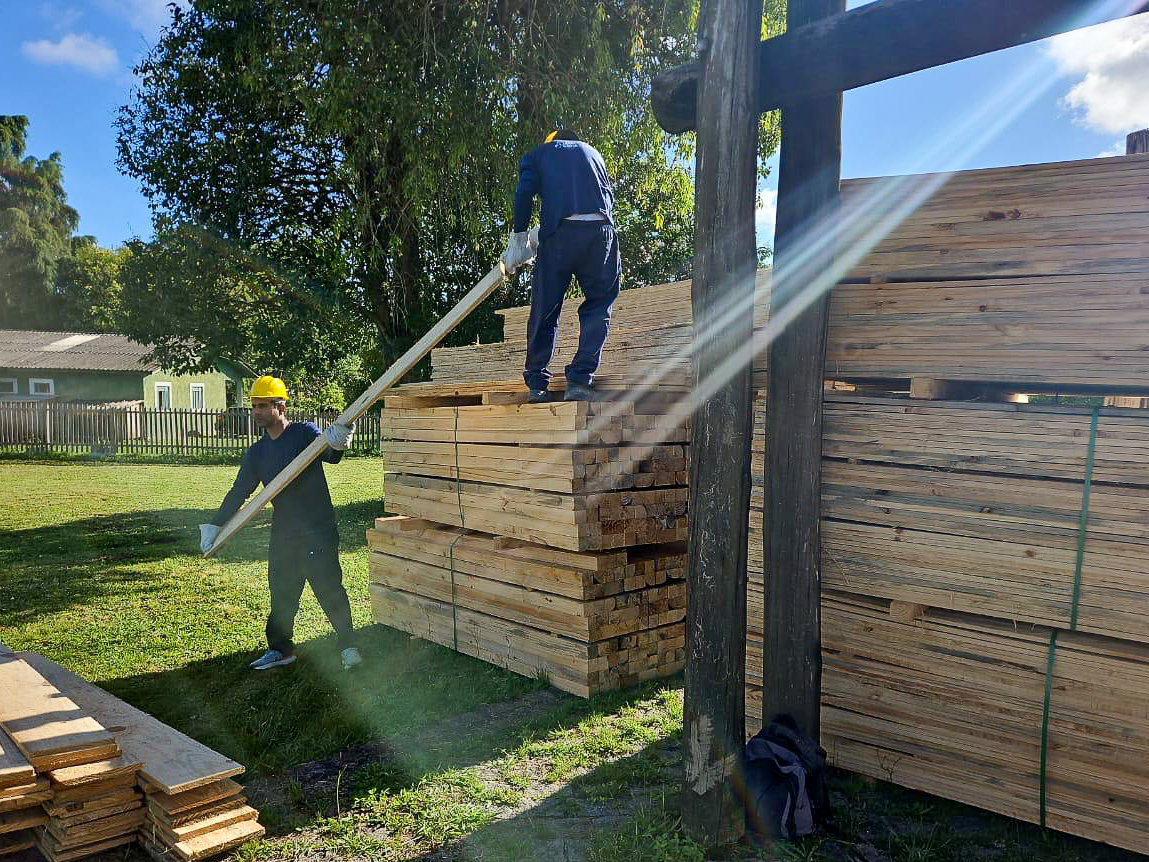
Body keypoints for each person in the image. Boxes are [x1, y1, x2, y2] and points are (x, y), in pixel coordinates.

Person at [197, 375, 362, 671]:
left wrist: (339, 440)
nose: (257, 412)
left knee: (329, 589)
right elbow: (239, 491)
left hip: (318, 528)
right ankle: (281, 649)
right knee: (282, 591)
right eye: (255, 406)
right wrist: (215, 525)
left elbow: (331, 455)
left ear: (280, 407)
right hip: (285, 532)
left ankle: (349, 646)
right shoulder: (258, 453)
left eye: (263, 406)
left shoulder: (302, 433)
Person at [502, 129, 621, 404]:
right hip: (600, 233)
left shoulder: (539, 154)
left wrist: (520, 237)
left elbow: (524, 193)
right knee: (599, 304)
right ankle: (579, 381)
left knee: (545, 308)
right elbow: (608, 199)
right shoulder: (594, 153)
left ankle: (537, 385)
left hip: (559, 235)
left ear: (551, 142)